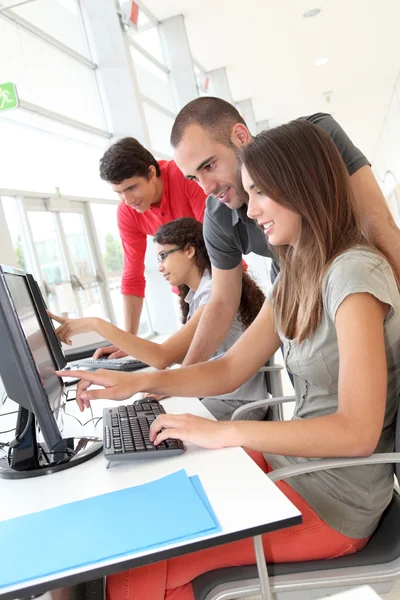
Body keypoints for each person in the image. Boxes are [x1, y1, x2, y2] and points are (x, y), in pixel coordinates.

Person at [61, 120, 400, 600]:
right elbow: (229, 367)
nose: (252, 210)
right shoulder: (298, 271)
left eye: (261, 193)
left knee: (140, 570)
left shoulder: (354, 274)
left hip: (335, 500)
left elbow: (358, 432)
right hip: (294, 465)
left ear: (301, 183)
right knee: (142, 530)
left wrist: (225, 432)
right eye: (249, 193)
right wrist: (143, 383)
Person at [168, 97, 400, 368]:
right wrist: (182, 375)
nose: (206, 187)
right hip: (301, 304)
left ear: (240, 136)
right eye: (194, 178)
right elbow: (221, 303)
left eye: (209, 166)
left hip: (358, 288)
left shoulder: (316, 141)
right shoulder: (218, 217)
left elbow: (378, 225)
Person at [52, 218, 268, 420]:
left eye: (164, 255)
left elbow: (162, 357)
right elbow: (176, 351)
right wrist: (132, 351)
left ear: (190, 250)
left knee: (151, 420)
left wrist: (94, 324)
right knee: (148, 414)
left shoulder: (213, 294)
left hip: (236, 403)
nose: (160, 266)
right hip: (216, 393)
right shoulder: (198, 294)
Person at [95, 137, 206, 359]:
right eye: (118, 192)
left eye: (131, 188)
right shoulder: (128, 213)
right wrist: (128, 340)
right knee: (195, 367)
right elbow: (133, 276)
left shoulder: (184, 177)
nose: (127, 200)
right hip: (187, 297)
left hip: (221, 282)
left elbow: (217, 243)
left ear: (152, 172)